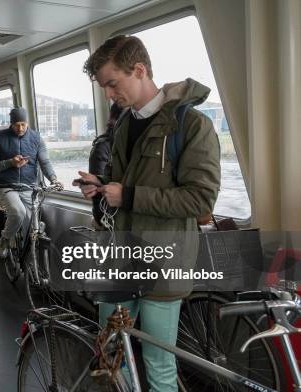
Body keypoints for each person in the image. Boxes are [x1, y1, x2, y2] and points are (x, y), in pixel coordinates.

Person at [77, 35, 221, 391]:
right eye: (104, 87)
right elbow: (127, 182)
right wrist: (102, 183)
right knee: (109, 350)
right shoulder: (126, 124)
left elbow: (201, 200)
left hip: (163, 260)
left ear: (139, 70)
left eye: (112, 83)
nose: (109, 94)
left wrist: (127, 195)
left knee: (159, 363)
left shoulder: (192, 126)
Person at [0, 107, 62, 257]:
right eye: (17, 125)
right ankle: (5, 238)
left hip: (29, 187)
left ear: (27, 123)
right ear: (11, 124)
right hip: (7, 187)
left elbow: (45, 161)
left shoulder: (36, 138)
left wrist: (53, 179)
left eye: (23, 124)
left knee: (31, 227)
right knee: (18, 213)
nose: (20, 128)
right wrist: (10, 163)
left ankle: (28, 262)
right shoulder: (0, 138)